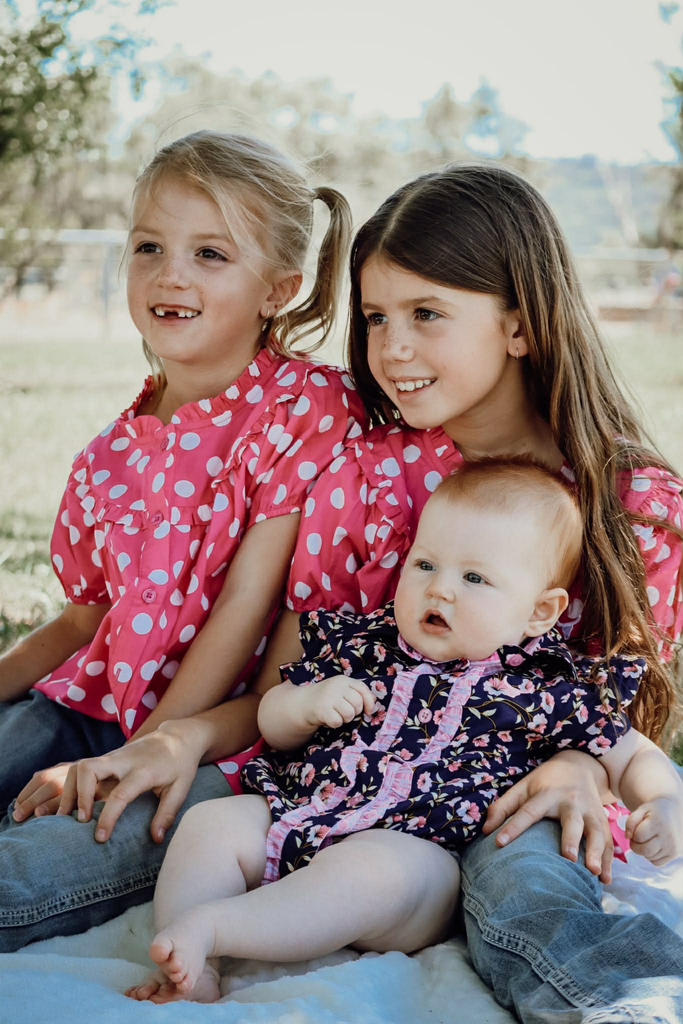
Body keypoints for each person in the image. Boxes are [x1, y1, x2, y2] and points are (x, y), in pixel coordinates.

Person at [38, 162, 683, 1020]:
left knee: (539, 890)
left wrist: (575, 768)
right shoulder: (370, 478)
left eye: (426, 315)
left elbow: (619, 713)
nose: (392, 349)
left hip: (512, 798)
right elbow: (286, 687)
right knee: (113, 827)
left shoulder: (632, 504)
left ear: (521, 324)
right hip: (329, 778)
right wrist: (183, 738)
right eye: (376, 318)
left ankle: (628, 1010)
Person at [126, 460, 683, 1004]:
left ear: (540, 612)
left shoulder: (547, 687)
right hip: (302, 812)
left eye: (473, 578)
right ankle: (188, 962)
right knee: (212, 822)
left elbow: (632, 755)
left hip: (418, 857)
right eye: (424, 565)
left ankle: (218, 929)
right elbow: (272, 720)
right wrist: (305, 704)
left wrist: (663, 802)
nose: (440, 589)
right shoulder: (367, 646)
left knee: (374, 873)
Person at [0, 129, 364, 950]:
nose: (170, 273)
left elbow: (248, 601)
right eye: (149, 247)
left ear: (278, 290)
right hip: (91, 705)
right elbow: (84, 620)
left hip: (218, 745)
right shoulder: (112, 452)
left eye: (210, 254)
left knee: (29, 870)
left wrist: (141, 752)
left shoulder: (300, 413)